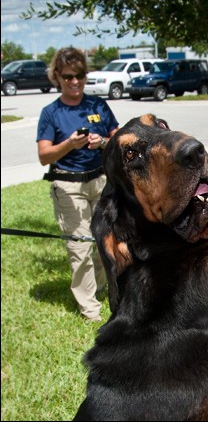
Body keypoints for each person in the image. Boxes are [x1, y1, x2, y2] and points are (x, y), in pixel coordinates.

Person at [37, 47, 120, 323]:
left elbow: (120, 141)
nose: (75, 82)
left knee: (103, 242)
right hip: (68, 186)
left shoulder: (98, 106)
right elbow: (44, 156)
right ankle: (91, 310)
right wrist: (69, 144)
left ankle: (97, 288)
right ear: (57, 77)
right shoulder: (51, 113)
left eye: (80, 75)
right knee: (80, 246)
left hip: (100, 181)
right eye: (69, 76)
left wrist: (103, 142)